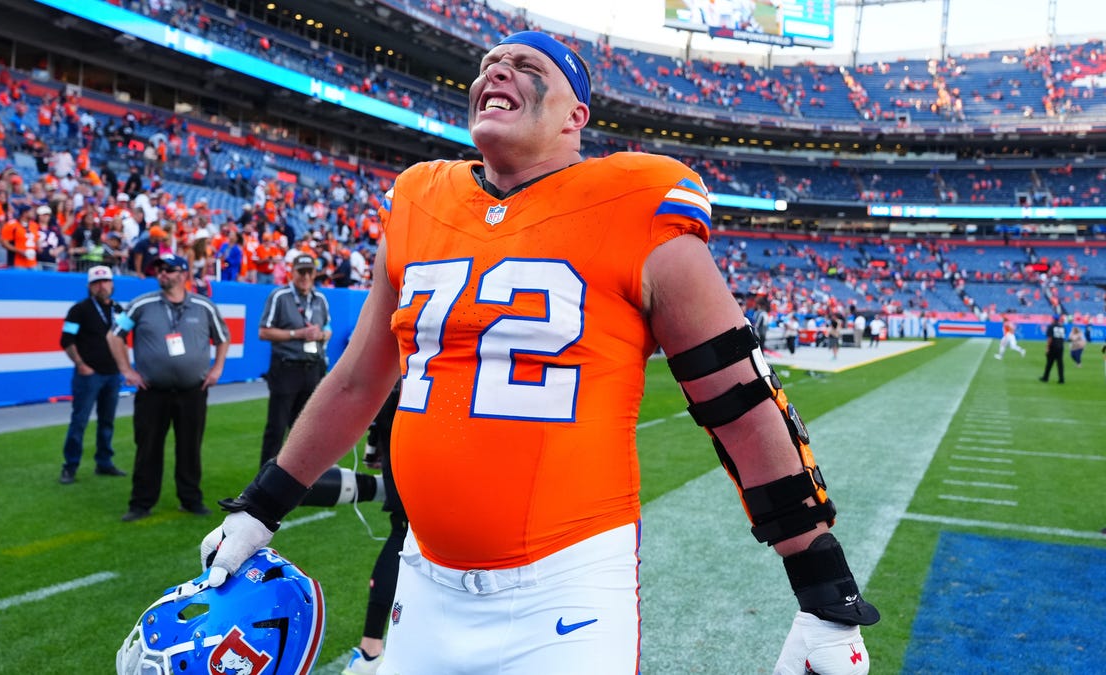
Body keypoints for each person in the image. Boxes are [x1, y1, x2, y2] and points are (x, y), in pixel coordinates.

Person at [201, 31, 876, 675]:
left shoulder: (636, 201)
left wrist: (825, 590)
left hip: (566, 590)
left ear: (573, 116)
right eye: (489, 62)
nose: (495, 71)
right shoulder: (419, 200)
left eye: (527, 67)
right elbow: (356, 380)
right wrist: (262, 505)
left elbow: (739, 399)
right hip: (423, 585)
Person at [108, 254, 230, 522]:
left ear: (183, 273)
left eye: (168, 269)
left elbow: (223, 337)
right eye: (159, 270)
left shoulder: (203, 306)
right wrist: (126, 370)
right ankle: (141, 502)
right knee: (148, 447)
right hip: (153, 391)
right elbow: (114, 335)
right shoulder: (142, 304)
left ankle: (191, 499)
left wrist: (217, 369)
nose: (161, 273)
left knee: (190, 447)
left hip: (192, 391)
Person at [342, 384, 406, 675]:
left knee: (404, 531)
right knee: (405, 532)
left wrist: (374, 440)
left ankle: (370, 651)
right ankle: (370, 651)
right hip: (427, 418)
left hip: (405, 414)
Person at [256, 255, 332, 467]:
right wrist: (296, 334)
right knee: (277, 427)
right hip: (286, 367)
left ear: (315, 274)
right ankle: (264, 480)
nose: (306, 276)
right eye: (301, 271)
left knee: (306, 429)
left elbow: (328, 328)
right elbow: (263, 332)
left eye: (310, 272)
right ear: (292, 272)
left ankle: (298, 480)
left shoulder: (320, 299)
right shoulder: (280, 296)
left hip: (312, 367)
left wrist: (321, 335)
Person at [58, 265, 126, 484]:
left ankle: (104, 462)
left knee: (107, 421)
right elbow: (66, 340)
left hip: (113, 374)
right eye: (96, 283)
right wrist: (80, 364)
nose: (102, 286)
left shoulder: (118, 309)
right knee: (79, 421)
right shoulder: (79, 309)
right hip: (89, 375)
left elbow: (123, 339)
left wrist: (124, 367)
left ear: (112, 284)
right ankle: (70, 466)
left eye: (105, 281)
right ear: (89, 286)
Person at [1039, 315, 1066, 384]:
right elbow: (1063, 337)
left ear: (1053, 319)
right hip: (1060, 346)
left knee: (1049, 363)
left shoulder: (1051, 326)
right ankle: (1061, 379)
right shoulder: (1062, 326)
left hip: (1053, 346)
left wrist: (1047, 347)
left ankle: (1046, 377)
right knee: (1060, 363)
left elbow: (1050, 338)